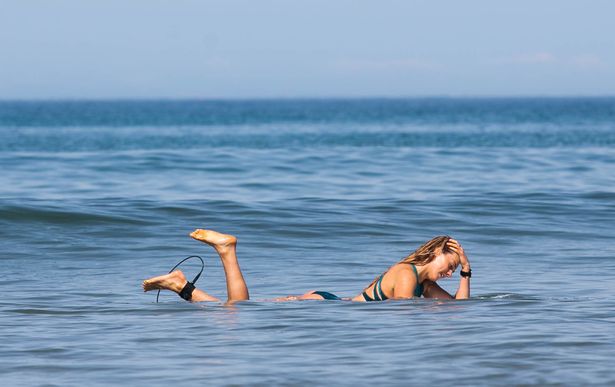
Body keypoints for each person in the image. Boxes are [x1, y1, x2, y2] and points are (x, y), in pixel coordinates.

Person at [142, 229, 471, 304]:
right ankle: (227, 252)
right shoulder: (405, 274)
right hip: (326, 308)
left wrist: (468, 271)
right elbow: (404, 310)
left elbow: (460, 309)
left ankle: (180, 285)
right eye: (451, 264)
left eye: (456, 270)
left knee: (233, 311)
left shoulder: (424, 284)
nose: (450, 272)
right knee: (238, 311)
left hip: (328, 304)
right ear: (436, 252)